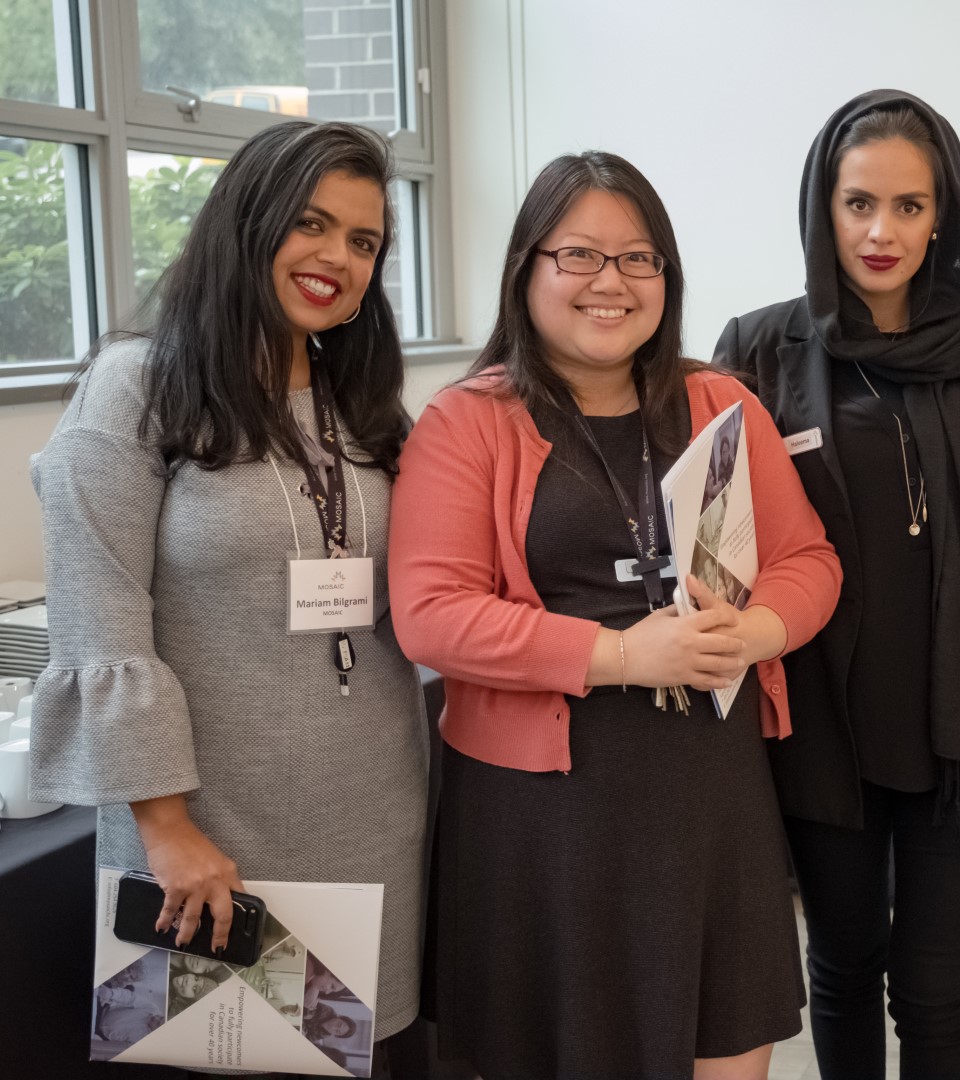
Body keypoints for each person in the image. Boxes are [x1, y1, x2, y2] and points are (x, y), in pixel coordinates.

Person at [389, 150, 841, 1080]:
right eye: (580, 255)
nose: (612, 282)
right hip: (542, 822)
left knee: (725, 1049)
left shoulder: (721, 403)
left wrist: (751, 635)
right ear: (527, 268)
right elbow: (432, 616)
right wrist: (626, 656)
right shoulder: (466, 421)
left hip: (710, 800)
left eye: (639, 258)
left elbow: (809, 561)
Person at [29, 121, 428, 1054]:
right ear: (247, 222)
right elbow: (100, 622)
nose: (337, 258)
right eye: (310, 223)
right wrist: (165, 826)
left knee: (363, 1050)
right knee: (234, 1055)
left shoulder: (361, 400)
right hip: (209, 835)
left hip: (374, 813)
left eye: (363, 241)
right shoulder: (136, 387)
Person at [713, 89, 960, 1079]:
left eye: (908, 205)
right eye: (859, 204)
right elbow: (719, 537)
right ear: (825, 209)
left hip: (959, 724)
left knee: (935, 990)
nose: (881, 232)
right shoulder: (760, 346)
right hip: (826, 726)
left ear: (944, 215)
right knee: (845, 967)